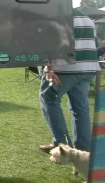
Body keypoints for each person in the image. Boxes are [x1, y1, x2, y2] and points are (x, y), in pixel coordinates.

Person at [39, 9, 99, 153]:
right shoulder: (86, 17)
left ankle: (62, 145)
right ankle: (83, 148)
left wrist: (49, 68)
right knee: (80, 108)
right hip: (88, 68)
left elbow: (54, 42)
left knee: (49, 99)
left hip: (65, 68)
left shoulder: (58, 15)